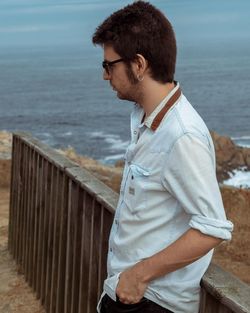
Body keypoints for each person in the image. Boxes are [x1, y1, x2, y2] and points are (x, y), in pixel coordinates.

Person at [92, 1, 233, 313]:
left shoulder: (181, 135)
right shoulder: (146, 117)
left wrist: (138, 276)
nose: (105, 76)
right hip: (129, 293)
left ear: (139, 65)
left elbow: (213, 227)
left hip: (153, 302)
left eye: (109, 65)